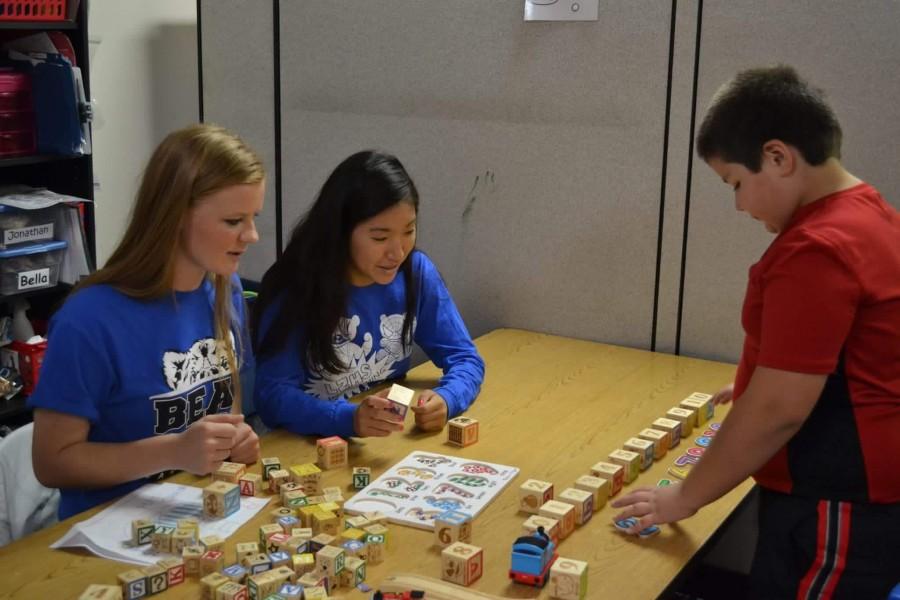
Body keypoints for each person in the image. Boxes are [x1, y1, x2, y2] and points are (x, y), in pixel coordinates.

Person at [612, 65, 900, 598]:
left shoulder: (818, 248)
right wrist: (752, 380)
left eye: (736, 184)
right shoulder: (867, 213)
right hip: (848, 492)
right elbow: (839, 356)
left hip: (838, 503)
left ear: (778, 157)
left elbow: (779, 410)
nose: (740, 205)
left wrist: (685, 497)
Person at [30, 124, 265, 520]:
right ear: (175, 217)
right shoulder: (88, 320)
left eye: (253, 217)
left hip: (199, 511)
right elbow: (52, 463)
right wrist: (175, 451)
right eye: (233, 221)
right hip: (108, 526)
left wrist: (235, 442)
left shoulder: (227, 290)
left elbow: (227, 412)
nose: (252, 235)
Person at [252, 150, 484, 438]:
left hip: (381, 444)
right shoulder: (297, 286)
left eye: (409, 231)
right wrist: (347, 418)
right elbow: (272, 395)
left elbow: (465, 357)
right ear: (341, 231)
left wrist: (448, 398)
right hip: (302, 443)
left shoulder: (415, 273)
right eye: (380, 237)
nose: (397, 252)